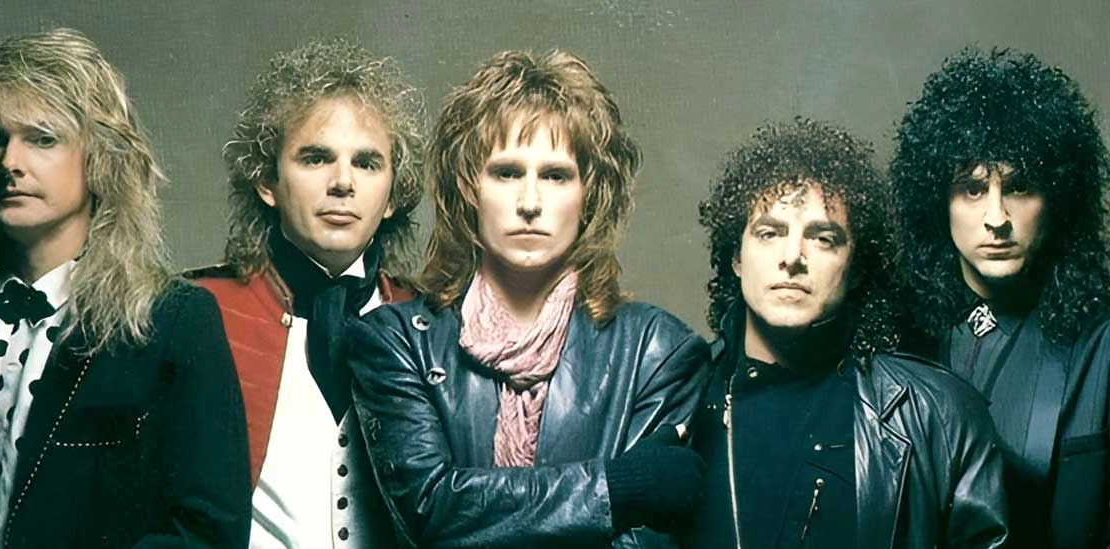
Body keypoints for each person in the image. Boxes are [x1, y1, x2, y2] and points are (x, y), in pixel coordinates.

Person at [0, 29, 250, 547]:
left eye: (42, 138)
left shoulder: (174, 319)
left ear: (99, 156)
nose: (10, 162)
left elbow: (207, 533)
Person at [346, 50, 710, 548]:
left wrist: (479, 508)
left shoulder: (657, 351)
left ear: (590, 194)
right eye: (507, 172)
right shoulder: (397, 341)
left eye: (556, 175)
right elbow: (428, 511)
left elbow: (642, 540)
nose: (530, 203)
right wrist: (616, 488)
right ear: (469, 189)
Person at [890, 48, 1110, 548]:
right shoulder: (896, 338)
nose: (996, 218)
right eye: (972, 189)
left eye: (1019, 187)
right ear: (937, 201)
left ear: (1058, 197)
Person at [683, 118, 1008, 548]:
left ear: (855, 267)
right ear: (736, 258)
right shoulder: (675, 399)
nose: (792, 257)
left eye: (823, 238)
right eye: (769, 233)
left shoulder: (941, 414)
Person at [188, 38, 423, 548]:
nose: (343, 183)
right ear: (267, 182)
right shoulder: (199, 311)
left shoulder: (429, 323)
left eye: (367, 163)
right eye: (316, 159)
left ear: (392, 196)